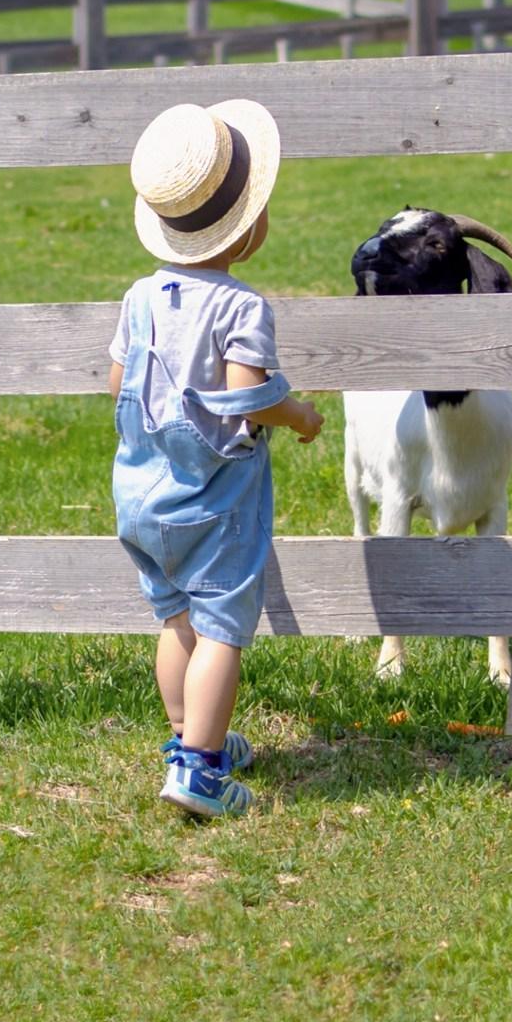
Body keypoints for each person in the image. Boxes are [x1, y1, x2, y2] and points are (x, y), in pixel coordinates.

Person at [113, 98, 322, 821]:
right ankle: (200, 773)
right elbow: (244, 401)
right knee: (224, 627)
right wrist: (297, 415)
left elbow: (117, 384)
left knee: (175, 618)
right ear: (248, 225)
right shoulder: (241, 307)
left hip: (141, 491)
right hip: (213, 497)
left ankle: (187, 738)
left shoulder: (140, 296)